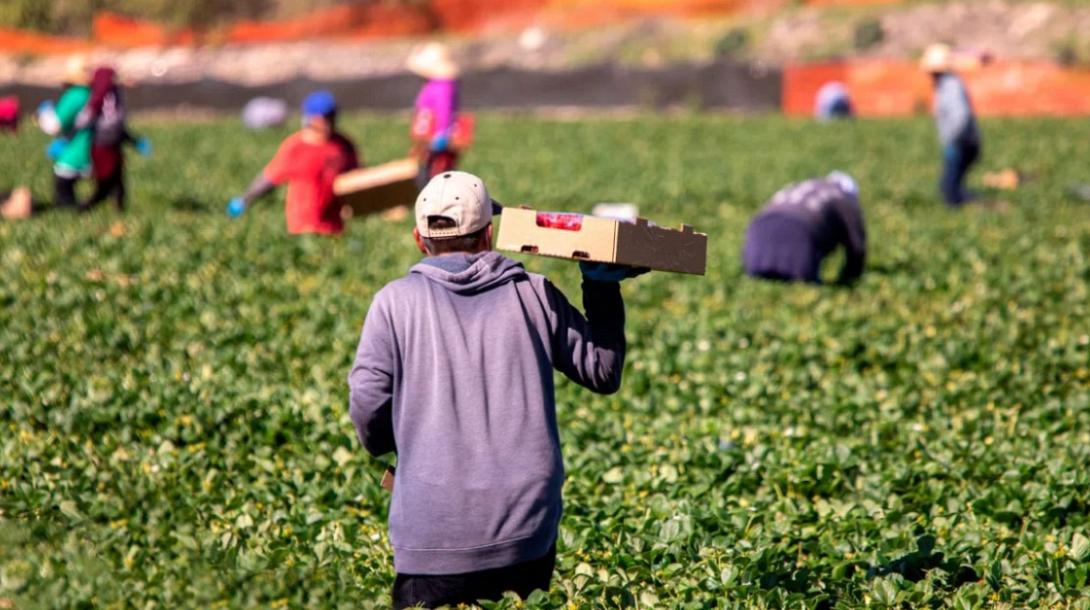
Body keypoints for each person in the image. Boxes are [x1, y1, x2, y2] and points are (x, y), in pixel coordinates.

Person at [347, 171, 643, 609]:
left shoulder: (394, 302)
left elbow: (368, 405)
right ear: (488, 234)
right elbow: (601, 370)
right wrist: (601, 287)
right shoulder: (534, 294)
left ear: (418, 239)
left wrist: (404, 449)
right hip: (525, 535)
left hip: (432, 537)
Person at [227, 90, 359, 235]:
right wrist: (244, 200)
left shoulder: (344, 145)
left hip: (335, 227)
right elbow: (269, 179)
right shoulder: (295, 147)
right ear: (311, 119)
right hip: (303, 227)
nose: (329, 122)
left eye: (332, 116)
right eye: (325, 117)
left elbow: (356, 178)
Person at [742, 171, 866, 285]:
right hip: (799, 237)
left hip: (756, 240)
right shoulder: (843, 197)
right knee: (802, 287)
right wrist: (849, 280)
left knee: (760, 283)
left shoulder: (797, 186)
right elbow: (856, 246)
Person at [76, 67, 150, 213]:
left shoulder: (111, 95)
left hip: (112, 143)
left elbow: (118, 124)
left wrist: (134, 141)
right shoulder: (98, 98)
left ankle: (118, 209)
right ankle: (85, 208)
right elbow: (84, 122)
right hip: (102, 144)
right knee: (106, 181)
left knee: (117, 180)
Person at [921, 44, 981, 207]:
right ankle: (968, 205)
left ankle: (973, 206)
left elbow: (961, 115)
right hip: (958, 141)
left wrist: (953, 139)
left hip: (959, 142)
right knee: (950, 187)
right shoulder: (945, 84)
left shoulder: (950, 85)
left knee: (949, 190)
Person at [39, 56, 93, 209]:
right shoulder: (92, 94)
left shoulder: (75, 95)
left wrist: (44, 113)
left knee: (63, 194)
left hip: (74, 154)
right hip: (92, 150)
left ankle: (71, 208)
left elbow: (53, 125)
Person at [407, 42, 462, 185]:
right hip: (428, 142)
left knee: (434, 179)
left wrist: (441, 136)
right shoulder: (433, 84)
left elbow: (444, 111)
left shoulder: (443, 87)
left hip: (437, 143)